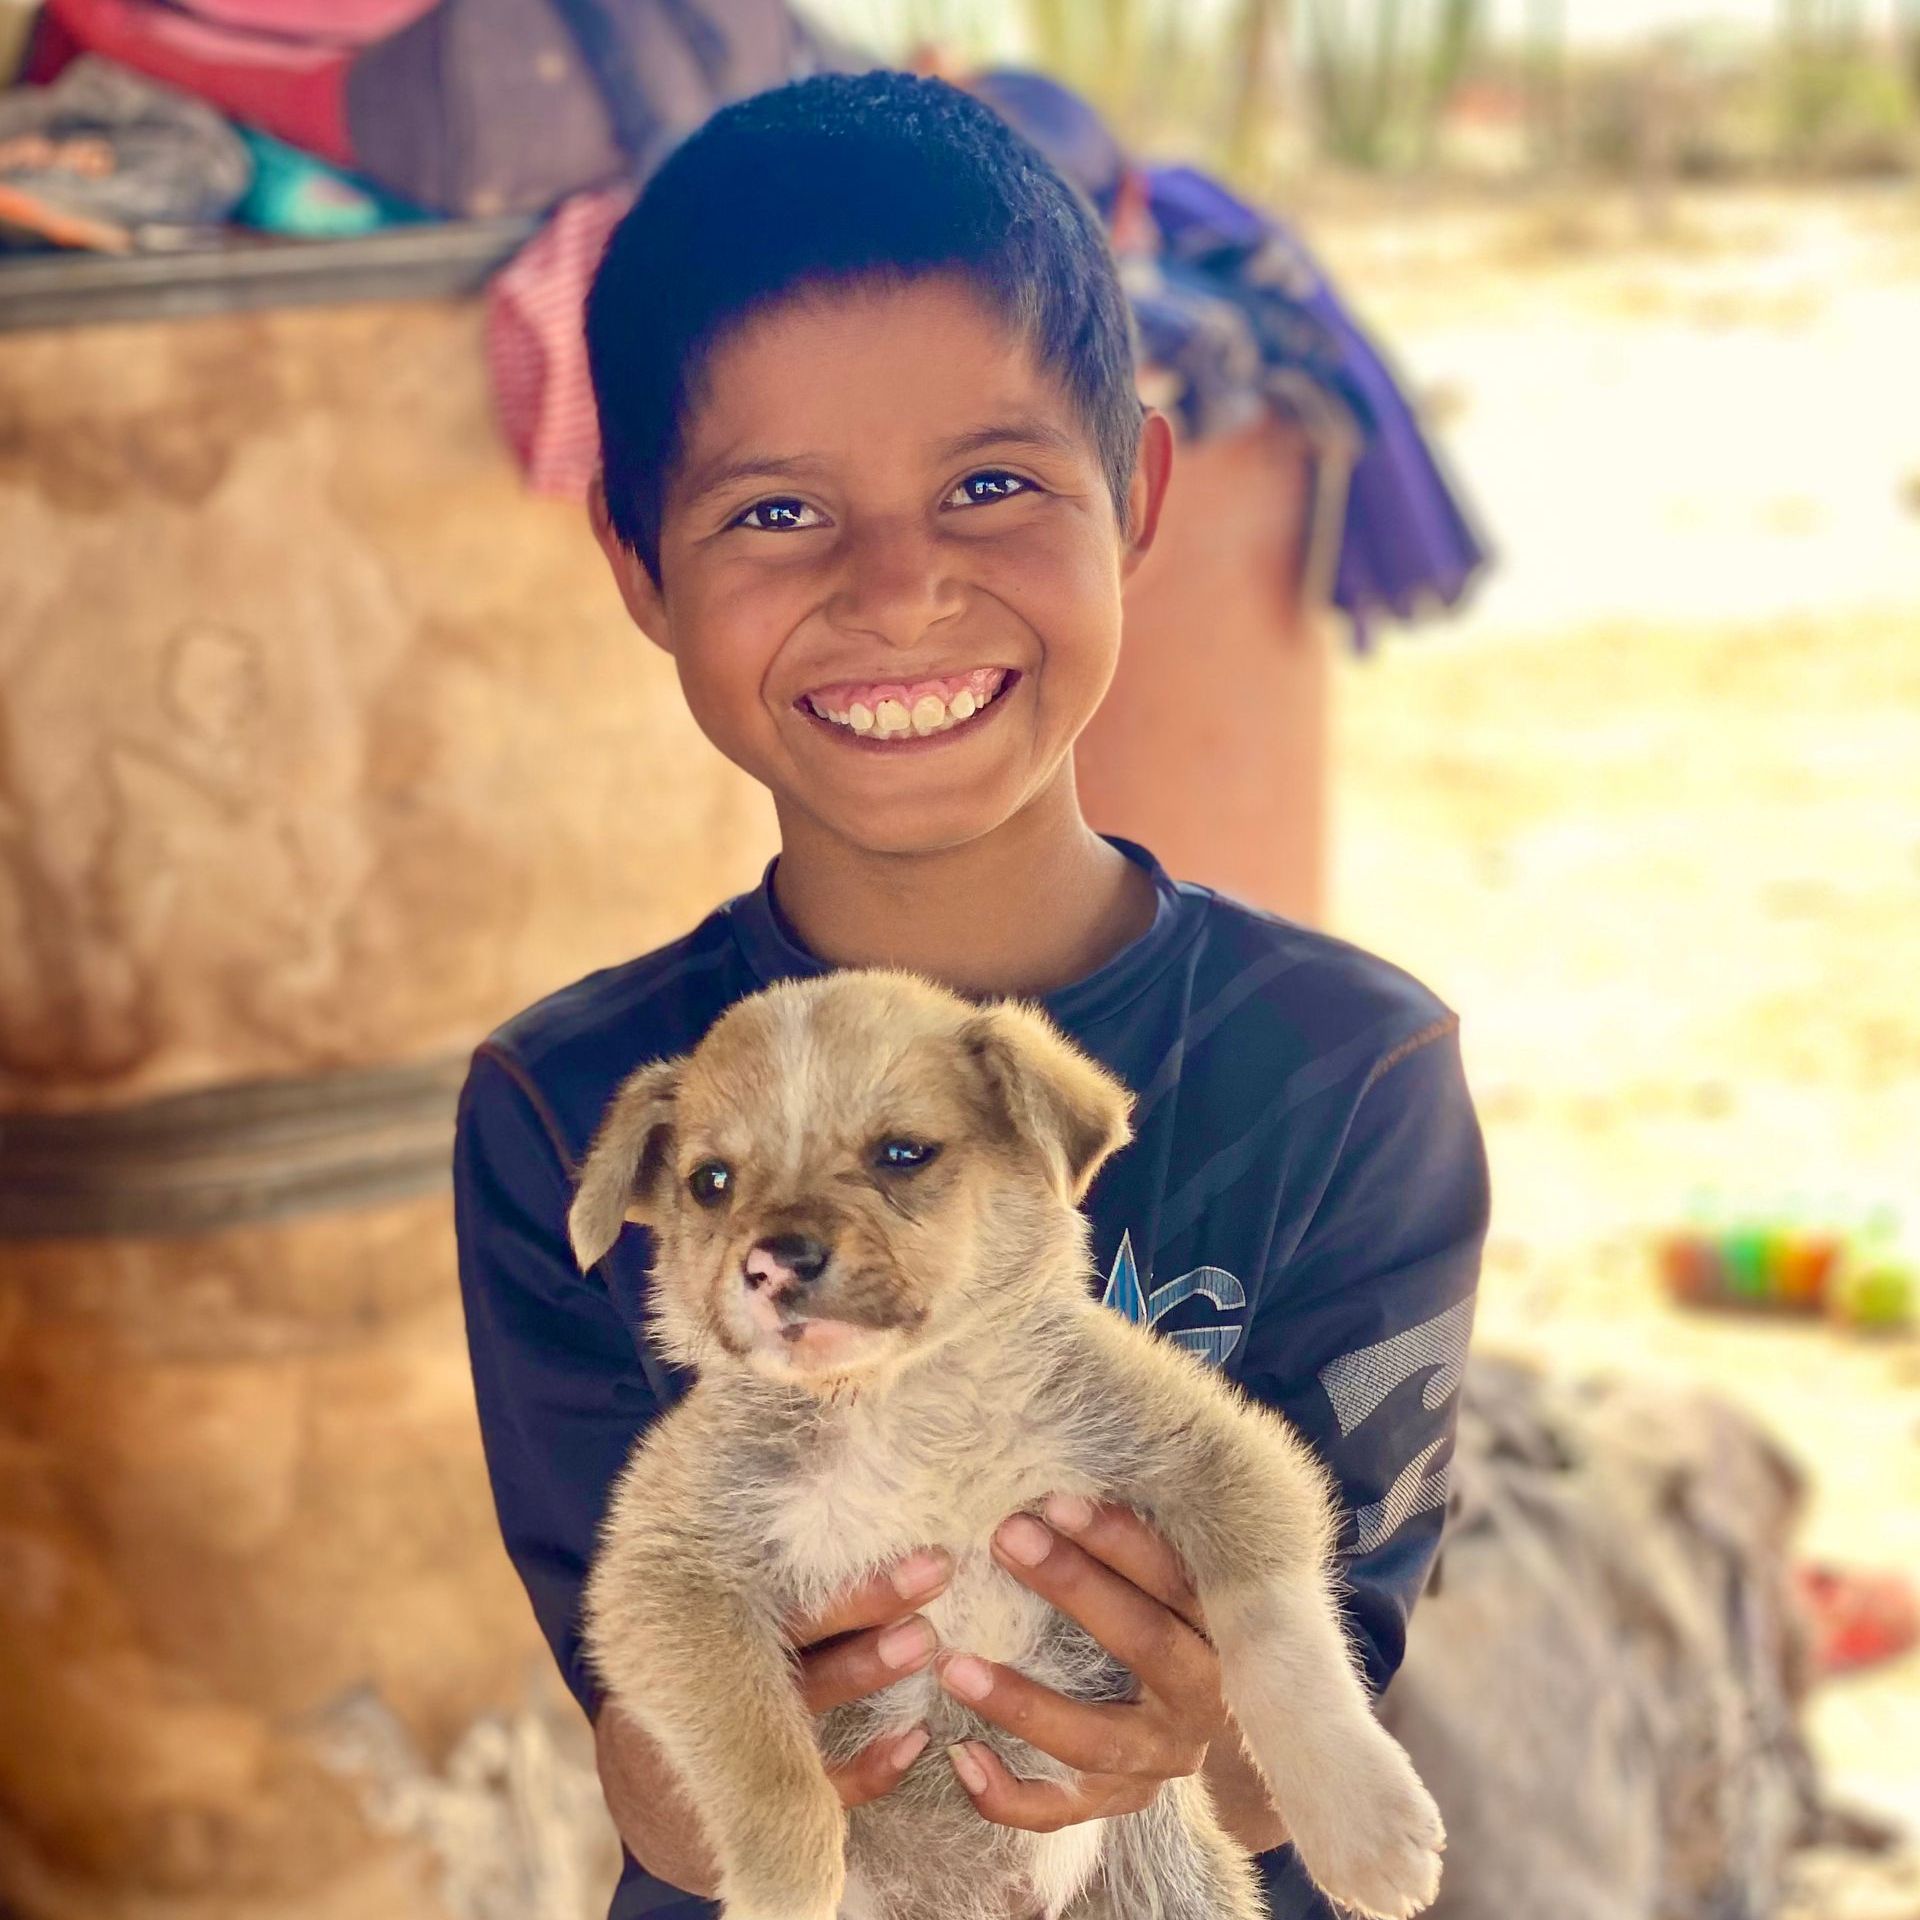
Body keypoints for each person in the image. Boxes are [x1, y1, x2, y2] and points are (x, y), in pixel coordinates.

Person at [453, 68, 1489, 1920]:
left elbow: (1313, 1718)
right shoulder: (569, 1102)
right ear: (639, 567)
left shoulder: (1352, 1070)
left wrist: (1197, 1728)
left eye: (993, 485)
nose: (903, 588)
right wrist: (779, 1794)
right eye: (777, 514)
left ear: (1140, 493)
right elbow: (648, 1707)